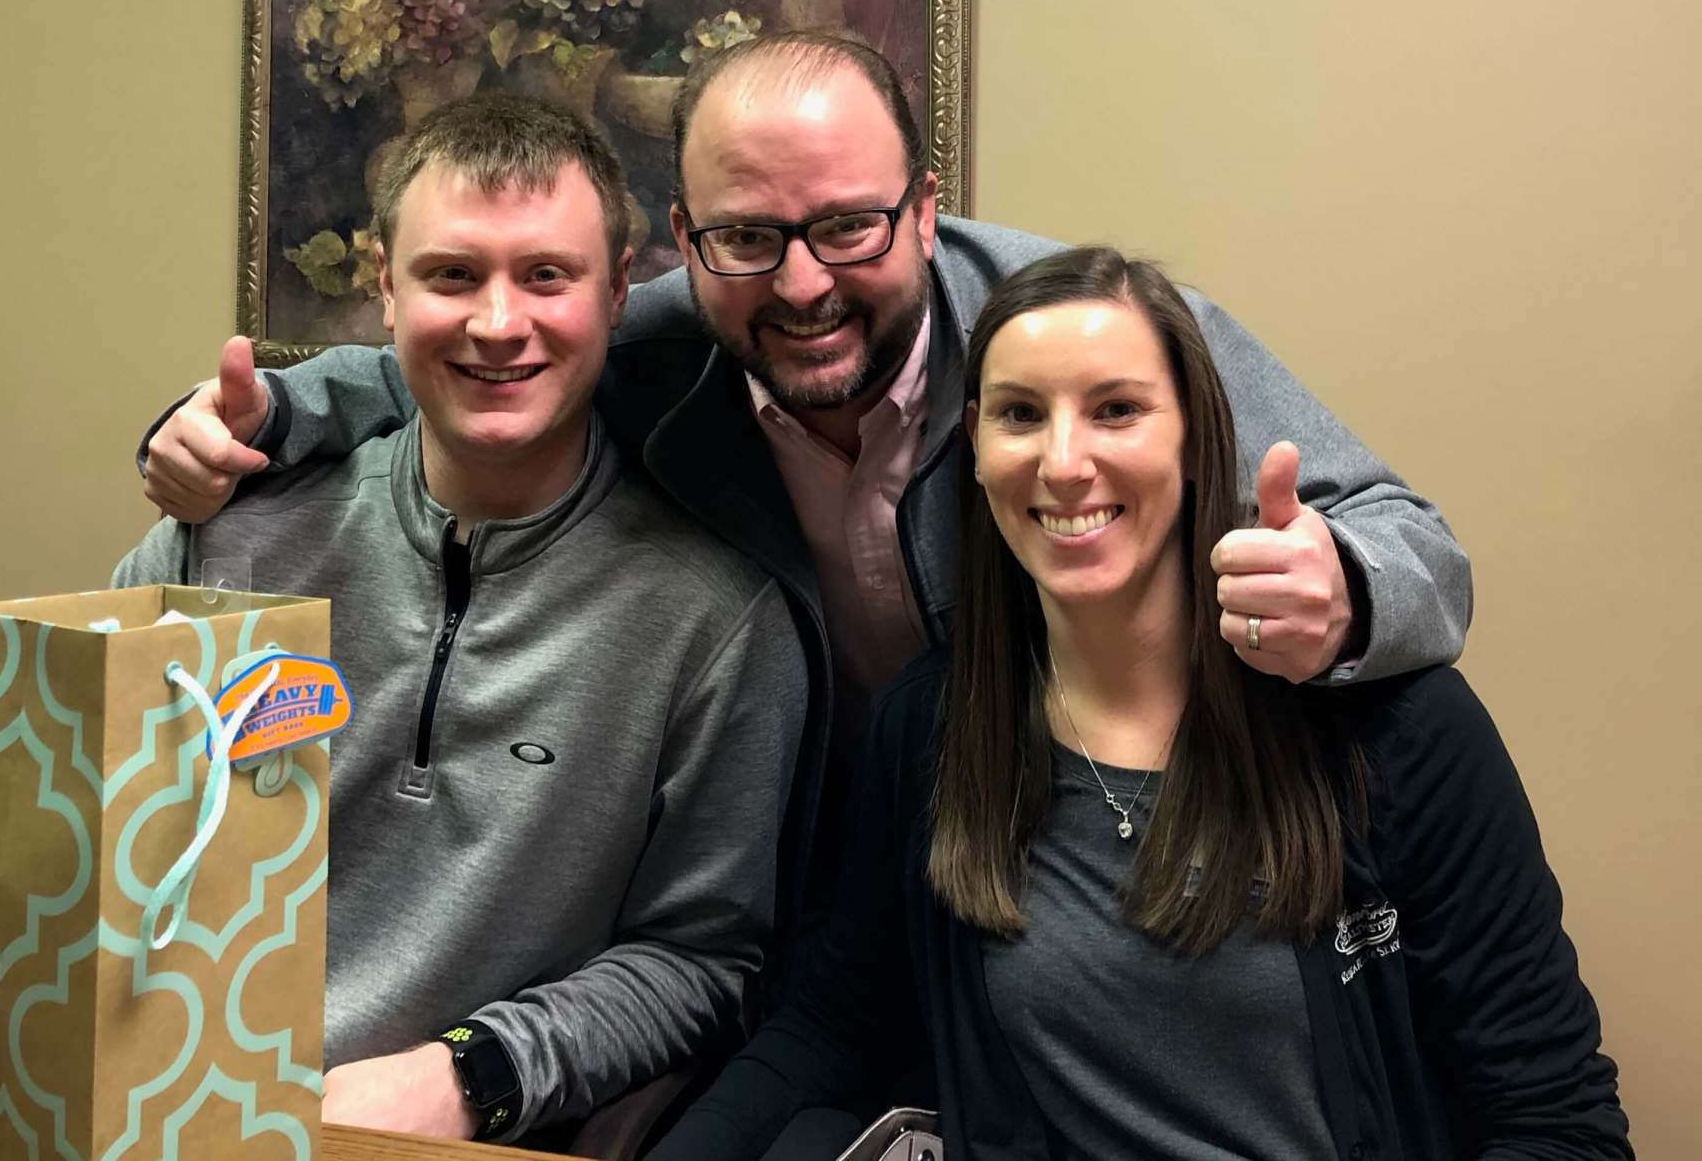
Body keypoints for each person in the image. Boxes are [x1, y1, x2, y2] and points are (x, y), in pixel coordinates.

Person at [137, 31, 1472, 899]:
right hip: (822, 874)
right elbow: (463, 361)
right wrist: (236, 421)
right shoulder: (666, 331)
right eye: (750, 236)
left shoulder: (1067, 337)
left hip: (1095, 852)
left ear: (927, 206)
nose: (804, 283)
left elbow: (1420, 545)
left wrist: (1344, 589)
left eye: (849, 226)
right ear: (678, 241)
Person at [0, 94, 808, 1150]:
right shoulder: (226, 541)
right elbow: (22, 838)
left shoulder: (716, 621)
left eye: (546, 275)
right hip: (150, 1107)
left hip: (430, 1131)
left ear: (617, 291)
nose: (498, 323)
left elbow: (699, 961)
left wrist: (469, 1074)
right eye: (452, 273)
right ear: (384, 284)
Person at [647, 246, 1629, 1161]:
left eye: (1116, 409)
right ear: (974, 452)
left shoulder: (1394, 730)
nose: (1064, 460)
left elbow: (1558, 1120)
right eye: (1019, 413)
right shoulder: (936, 729)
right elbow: (832, 1024)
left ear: (1200, 440)